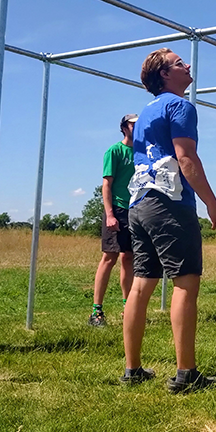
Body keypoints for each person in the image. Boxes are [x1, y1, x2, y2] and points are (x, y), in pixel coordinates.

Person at [121, 48, 216, 392]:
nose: (188, 65)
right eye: (180, 62)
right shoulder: (180, 106)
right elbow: (186, 157)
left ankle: (133, 369)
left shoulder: (145, 112)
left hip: (139, 202)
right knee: (186, 281)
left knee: (142, 284)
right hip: (169, 202)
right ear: (166, 75)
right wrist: (212, 204)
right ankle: (186, 374)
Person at [88, 114, 139, 327]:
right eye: (132, 124)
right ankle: (96, 311)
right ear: (124, 128)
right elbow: (106, 184)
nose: (136, 127)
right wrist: (109, 214)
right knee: (109, 257)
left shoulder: (143, 152)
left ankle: (128, 307)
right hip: (117, 208)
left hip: (136, 209)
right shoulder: (114, 151)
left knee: (128, 258)